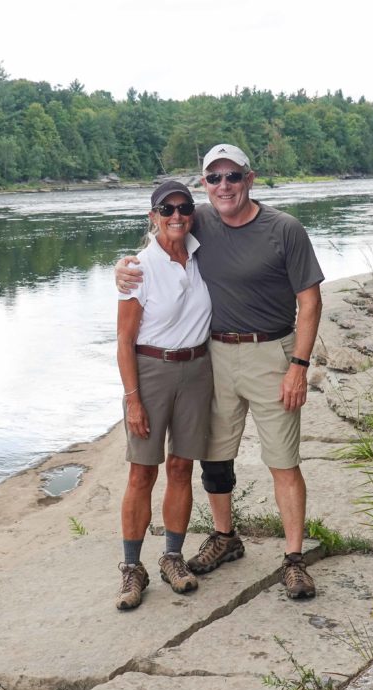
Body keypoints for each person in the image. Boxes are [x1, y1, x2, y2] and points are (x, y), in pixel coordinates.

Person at [117, 144, 324, 599]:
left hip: (270, 354)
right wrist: (122, 267)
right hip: (215, 356)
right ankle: (224, 536)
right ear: (204, 184)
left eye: (233, 176)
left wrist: (299, 365)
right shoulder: (199, 221)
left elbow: (310, 301)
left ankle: (294, 559)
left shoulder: (284, 229)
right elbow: (159, 241)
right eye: (214, 178)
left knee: (283, 461)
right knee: (213, 455)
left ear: (250, 178)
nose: (223, 186)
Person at [114, 180, 213, 610]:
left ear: (192, 212)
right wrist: (133, 399)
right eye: (166, 209)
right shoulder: (139, 268)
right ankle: (131, 568)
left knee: (181, 466)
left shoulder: (203, 253)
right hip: (151, 371)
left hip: (198, 370)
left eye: (184, 207)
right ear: (152, 216)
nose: (176, 216)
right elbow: (123, 341)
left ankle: (172, 557)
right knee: (142, 472)